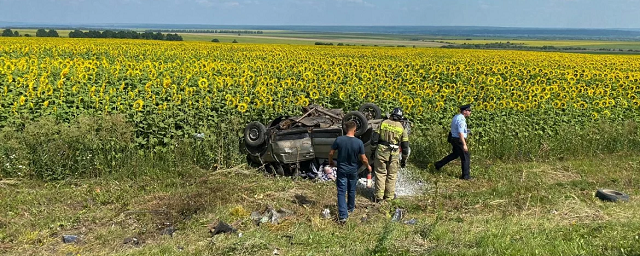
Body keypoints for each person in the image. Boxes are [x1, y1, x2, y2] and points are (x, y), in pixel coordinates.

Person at [328, 120, 372, 223]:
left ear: (345, 129)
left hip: (342, 170)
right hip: (353, 170)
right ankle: (350, 209)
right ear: (355, 130)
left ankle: (343, 216)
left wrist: (331, 162)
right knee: (352, 190)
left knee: (341, 192)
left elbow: (331, 153)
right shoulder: (359, 142)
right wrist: (368, 166)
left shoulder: (339, 140)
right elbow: (363, 158)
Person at [372, 107, 410, 203]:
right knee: (391, 175)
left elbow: (374, 140)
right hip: (394, 153)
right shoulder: (401, 128)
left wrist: (373, 151)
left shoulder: (383, 123)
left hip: (381, 152)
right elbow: (405, 146)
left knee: (380, 173)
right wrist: (404, 159)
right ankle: (389, 196)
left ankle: (378, 197)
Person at [435, 104, 472, 180]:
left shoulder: (456, 117)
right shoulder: (461, 119)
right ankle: (466, 176)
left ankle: (438, 164)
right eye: (469, 110)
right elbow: (460, 133)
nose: (470, 112)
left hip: (453, 138)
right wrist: (464, 144)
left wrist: (467, 131)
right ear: (465, 111)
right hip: (459, 140)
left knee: (455, 154)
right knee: (465, 157)